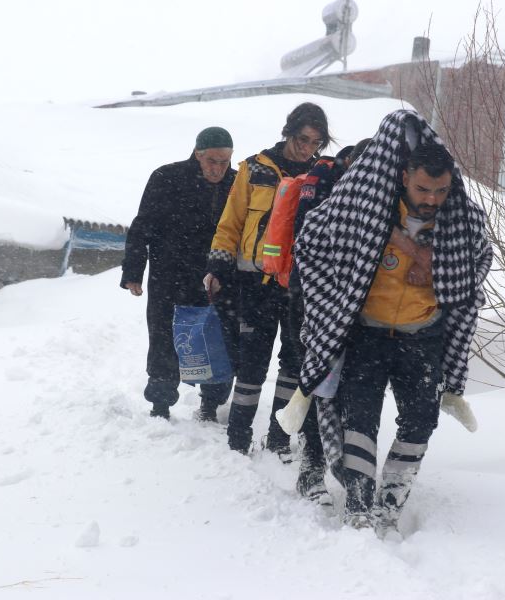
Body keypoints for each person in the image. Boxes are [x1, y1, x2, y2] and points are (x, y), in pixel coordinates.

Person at [295, 110, 492, 536]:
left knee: (421, 420)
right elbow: (309, 243)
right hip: (367, 333)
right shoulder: (365, 211)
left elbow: (477, 270)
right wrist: (336, 298)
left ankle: (391, 500)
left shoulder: (463, 223)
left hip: (422, 339)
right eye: (423, 188)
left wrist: (437, 268)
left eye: (440, 190)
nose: (432, 199)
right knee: (360, 421)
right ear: (404, 176)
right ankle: (359, 505)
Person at [203, 103, 331, 459]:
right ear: (288, 131)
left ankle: (278, 437)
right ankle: (238, 436)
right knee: (251, 361)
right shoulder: (254, 167)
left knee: (293, 361)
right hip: (254, 281)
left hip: (299, 284)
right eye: (303, 139)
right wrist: (218, 264)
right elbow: (231, 220)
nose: (307, 148)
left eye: (315, 143)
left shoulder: (322, 175)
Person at [120, 127, 239, 421]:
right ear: (197, 154)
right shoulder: (167, 178)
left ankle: (210, 405)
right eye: (212, 160)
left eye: (225, 162)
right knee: (165, 340)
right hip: (169, 275)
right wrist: (134, 270)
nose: (218, 168)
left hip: (218, 277)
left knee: (217, 340)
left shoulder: (238, 184)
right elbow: (142, 226)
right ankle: (160, 405)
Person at [288, 139, 371, 505]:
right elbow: (305, 244)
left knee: (352, 392)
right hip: (317, 301)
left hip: (364, 313)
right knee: (319, 380)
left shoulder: (383, 200)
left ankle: (350, 468)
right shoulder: (326, 189)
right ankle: (310, 469)